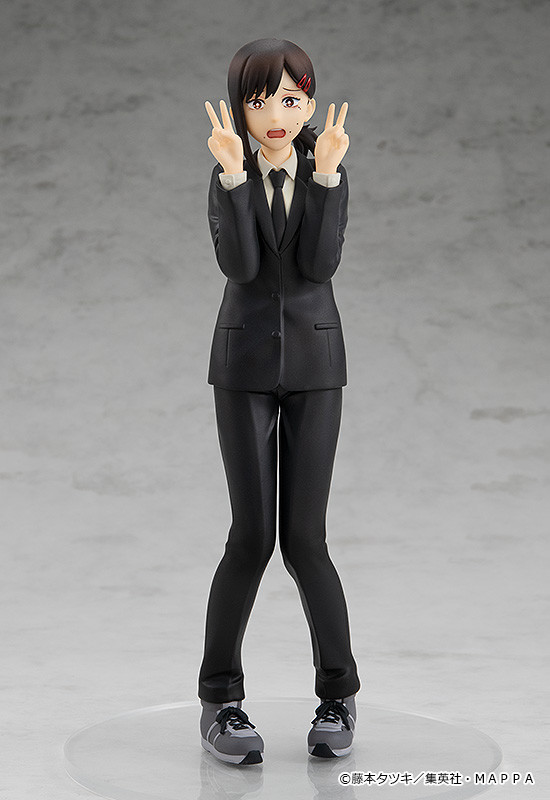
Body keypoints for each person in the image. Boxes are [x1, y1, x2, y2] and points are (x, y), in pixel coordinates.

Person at [198, 38, 360, 765]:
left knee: (307, 541)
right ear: (239, 108)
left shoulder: (329, 167)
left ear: (310, 102)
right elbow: (240, 267)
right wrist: (235, 177)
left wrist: (325, 176)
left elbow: (320, 265)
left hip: (317, 367)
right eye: (258, 100)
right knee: (250, 538)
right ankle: (220, 701)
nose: (275, 116)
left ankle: (339, 694)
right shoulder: (226, 173)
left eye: (290, 100)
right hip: (243, 368)